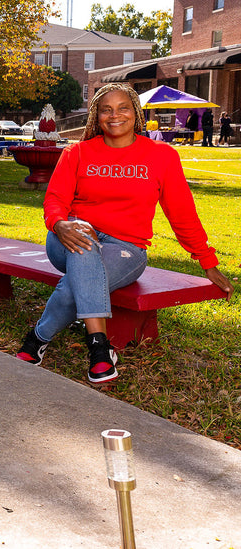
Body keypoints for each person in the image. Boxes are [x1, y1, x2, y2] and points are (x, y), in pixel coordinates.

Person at [16, 83, 233, 384]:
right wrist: (60, 224)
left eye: (123, 108)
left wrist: (207, 261)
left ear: (136, 113)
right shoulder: (77, 152)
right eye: (106, 109)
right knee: (84, 240)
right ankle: (99, 348)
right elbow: (55, 200)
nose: (114, 115)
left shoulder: (161, 156)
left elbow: (181, 212)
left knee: (78, 280)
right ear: (96, 116)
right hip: (67, 237)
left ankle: (38, 337)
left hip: (126, 248)